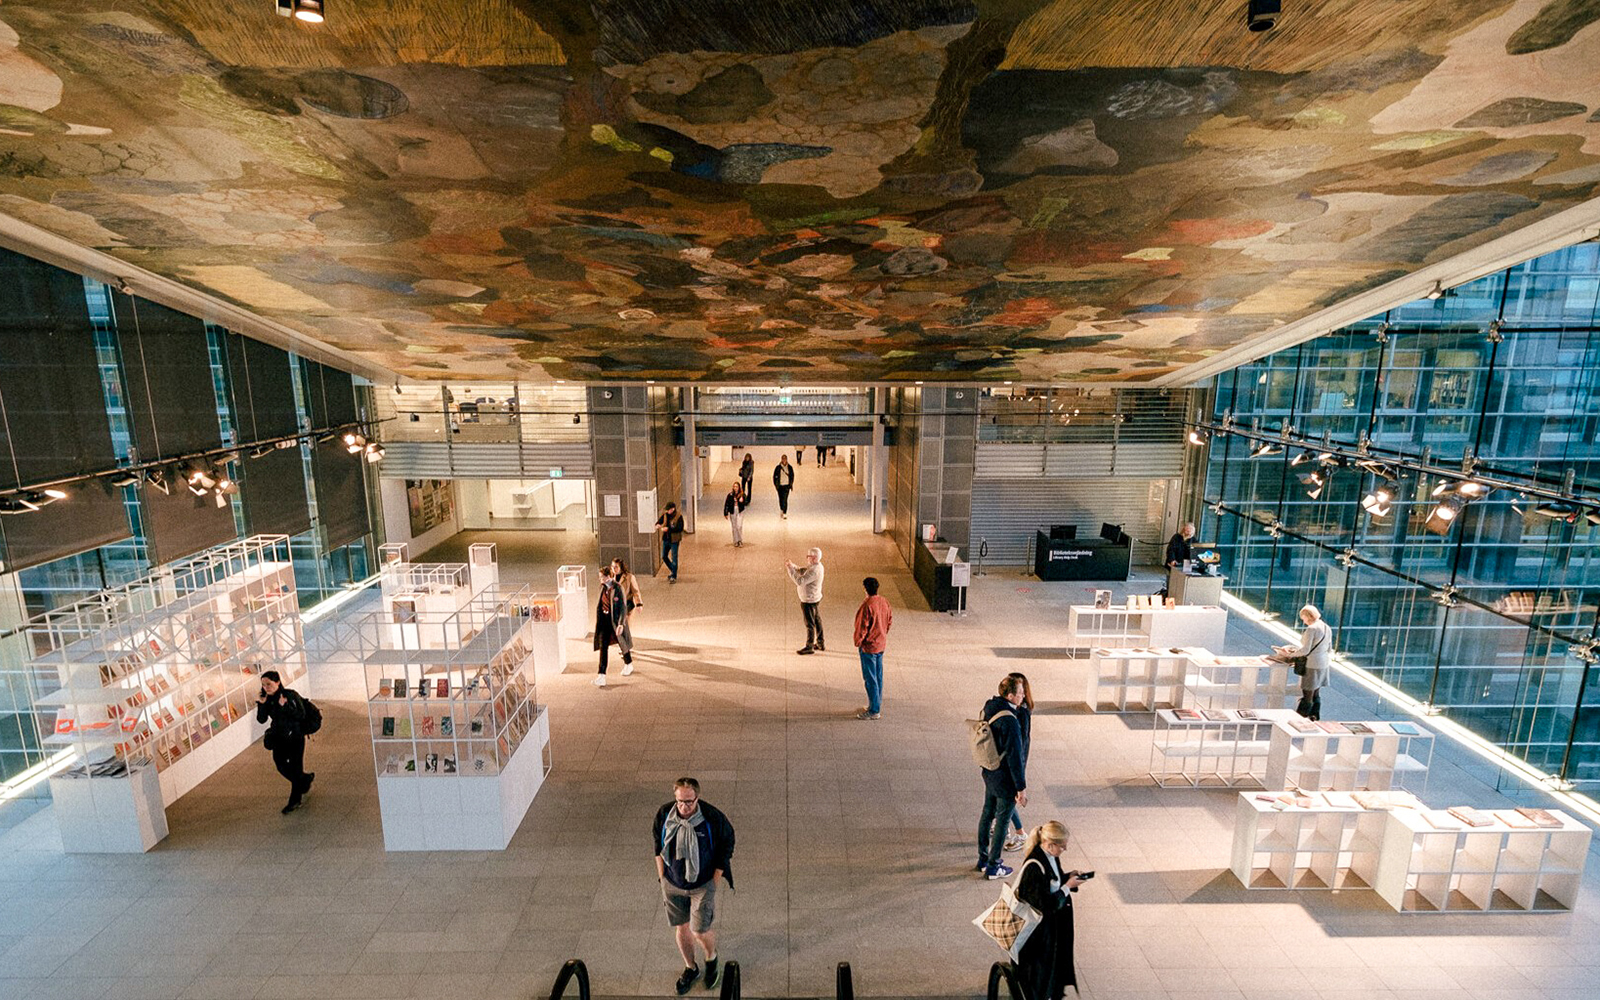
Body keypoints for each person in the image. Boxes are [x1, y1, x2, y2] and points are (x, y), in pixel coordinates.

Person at [653, 777, 736, 995]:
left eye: (689, 801)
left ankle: (711, 957)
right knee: (681, 928)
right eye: (680, 801)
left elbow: (727, 844)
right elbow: (657, 845)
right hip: (673, 883)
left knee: (699, 930)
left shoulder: (711, 817)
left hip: (702, 884)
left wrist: (714, 881)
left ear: (697, 798)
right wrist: (662, 877)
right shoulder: (665, 814)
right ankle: (690, 967)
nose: (684, 806)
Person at [1013, 821, 1084, 1000]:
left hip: (1051, 926)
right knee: (1041, 967)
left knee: (1052, 963)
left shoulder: (1051, 856)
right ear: (1050, 844)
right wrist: (1067, 887)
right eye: (1062, 846)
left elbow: (1053, 881)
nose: (1064, 849)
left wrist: (1068, 877)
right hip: (1038, 932)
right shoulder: (1034, 866)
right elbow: (1044, 904)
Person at [976, 675, 1028, 878]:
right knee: (1002, 822)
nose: (1023, 696)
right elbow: (1015, 757)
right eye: (1020, 693)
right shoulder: (1010, 721)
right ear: (1010, 696)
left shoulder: (990, 706)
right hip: (1005, 778)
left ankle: (982, 859)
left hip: (990, 770)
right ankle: (993, 865)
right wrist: (1020, 787)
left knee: (987, 814)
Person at [256, 670, 314, 814]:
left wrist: (285, 706)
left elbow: (300, 714)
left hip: (295, 737)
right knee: (280, 764)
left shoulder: (290, 695)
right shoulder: (267, 699)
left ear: (277, 682)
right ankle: (304, 779)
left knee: (296, 767)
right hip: (279, 737)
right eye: (263, 685)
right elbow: (261, 719)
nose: (266, 688)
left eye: (268, 684)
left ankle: (295, 800)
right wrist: (261, 704)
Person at [1274, 604, 1332, 720]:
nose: (1303, 621)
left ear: (1308, 616)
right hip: (1323, 663)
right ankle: (1314, 716)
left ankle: (1299, 719)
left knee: (1307, 694)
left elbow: (1305, 650)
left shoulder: (1312, 629)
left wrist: (1289, 654)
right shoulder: (1326, 627)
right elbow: (1329, 648)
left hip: (1312, 664)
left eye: (1303, 618)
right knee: (1316, 693)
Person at [852, 576, 892, 719]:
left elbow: (862, 627)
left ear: (865, 589)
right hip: (880, 644)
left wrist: (858, 641)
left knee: (870, 679)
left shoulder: (867, 605)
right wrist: (882, 634)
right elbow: (889, 620)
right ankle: (875, 704)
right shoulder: (884, 601)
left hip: (869, 647)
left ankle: (874, 710)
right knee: (878, 676)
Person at [1003, 672, 1034, 852]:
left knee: (1007, 798)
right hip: (1014, 761)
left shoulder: (1022, 712)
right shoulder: (1019, 709)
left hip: (1015, 762)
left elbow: (1021, 742)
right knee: (1005, 798)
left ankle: (1020, 833)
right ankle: (1004, 824)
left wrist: (1019, 771)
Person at [593, 564, 633, 686]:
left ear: (609, 577)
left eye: (603, 577)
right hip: (604, 622)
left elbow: (623, 607)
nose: (601, 580)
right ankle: (601, 675)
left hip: (614, 622)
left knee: (622, 643)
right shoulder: (602, 588)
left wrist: (621, 624)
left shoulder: (618, 588)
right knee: (603, 647)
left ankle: (628, 663)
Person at [785, 547, 825, 655]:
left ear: (814, 558)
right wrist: (793, 566)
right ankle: (820, 642)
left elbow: (800, 581)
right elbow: (804, 571)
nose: (807, 558)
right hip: (813, 598)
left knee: (810, 623)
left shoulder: (814, 571)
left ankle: (809, 646)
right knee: (817, 620)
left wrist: (790, 570)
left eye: (809, 556)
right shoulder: (816, 566)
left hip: (809, 600)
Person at [655, 502, 685, 583]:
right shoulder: (665, 515)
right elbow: (659, 521)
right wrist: (657, 525)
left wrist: (668, 529)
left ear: (673, 509)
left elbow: (680, 528)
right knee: (664, 556)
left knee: (674, 557)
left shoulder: (679, 516)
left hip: (674, 540)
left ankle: (674, 576)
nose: (667, 511)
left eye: (669, 510)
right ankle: (673, 569)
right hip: (666, 539)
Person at [723, 481, 746, 547]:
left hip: (740, 511)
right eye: (734, 486)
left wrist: (742, 500)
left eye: (736, 487)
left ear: (739, 487)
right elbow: (727, 504)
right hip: (732, 511)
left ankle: (740, 540)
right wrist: (726, 513)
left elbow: (746, 501)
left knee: (739, 525)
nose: (735, 488)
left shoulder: (742, 494)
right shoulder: (730, 495)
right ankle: (736, 541)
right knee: (734, 526)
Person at [773, 455, 795, 519]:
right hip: (780, 486)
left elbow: (792, 476)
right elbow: (774, 476)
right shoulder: (778, 467)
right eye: (783, 459)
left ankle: (785, 512)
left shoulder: (790, 467)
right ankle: (782, 509)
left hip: (786, 486)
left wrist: (790, 484)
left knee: (785, 499)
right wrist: (776, 485)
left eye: (785, 459)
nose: (784, 460)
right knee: (781, 499)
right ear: (781, 459)